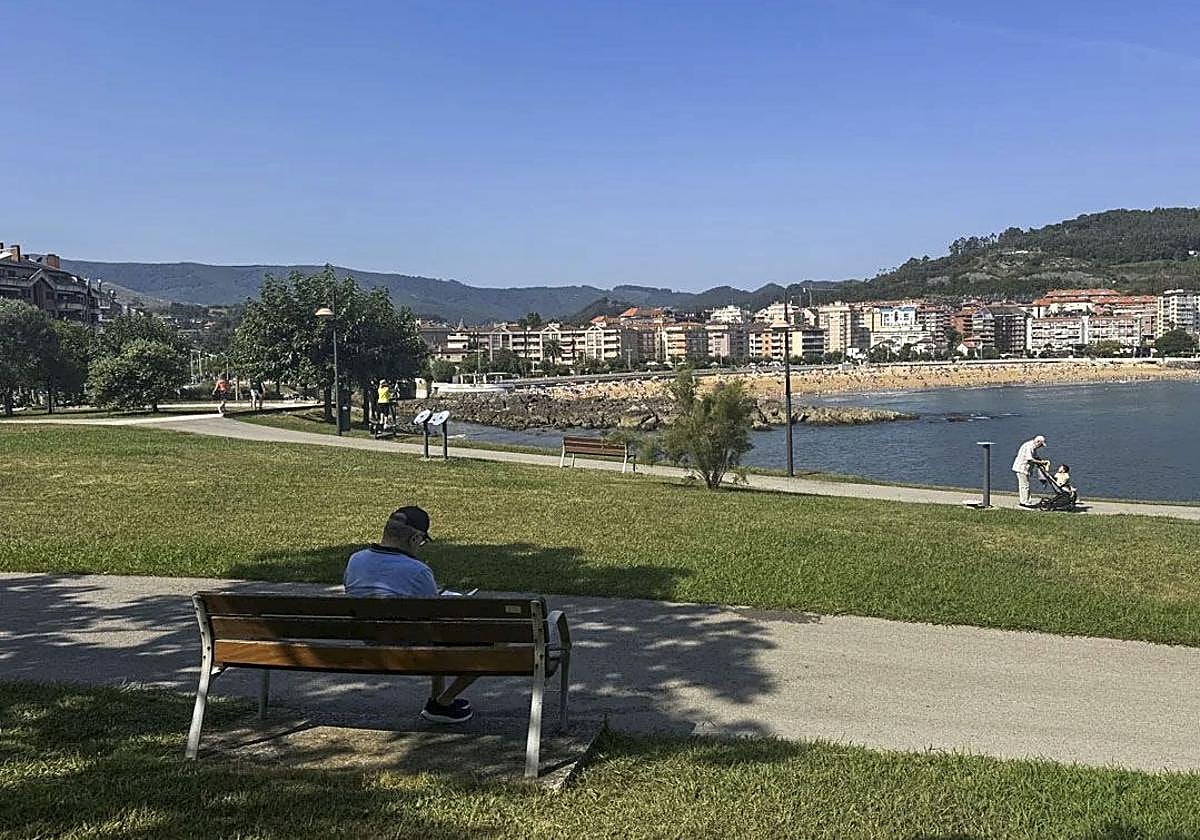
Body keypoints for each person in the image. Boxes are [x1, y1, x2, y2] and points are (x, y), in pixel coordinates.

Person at [344, 506, 474, 724]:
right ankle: (443, 701)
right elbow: (434, 616)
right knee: (497, 641)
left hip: (369, 640)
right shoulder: (418, 571)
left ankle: (436, 700)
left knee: (434, 633)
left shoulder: (355, 560)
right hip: (408, 647)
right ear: (414, 538)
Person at [1012, 434, 1049, 508]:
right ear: (1038, 442)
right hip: (1021, 468)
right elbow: (1030, 459)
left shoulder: (1033, 447)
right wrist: (1042, 463)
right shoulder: (1028, 446)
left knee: (1026, 485)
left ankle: (1027, 502)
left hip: (1025, 469)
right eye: (1041, 445)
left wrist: (1041, 460)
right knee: (1024, 486)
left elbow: (1035, 456)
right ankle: (1024, 503)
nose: (1040, 447)